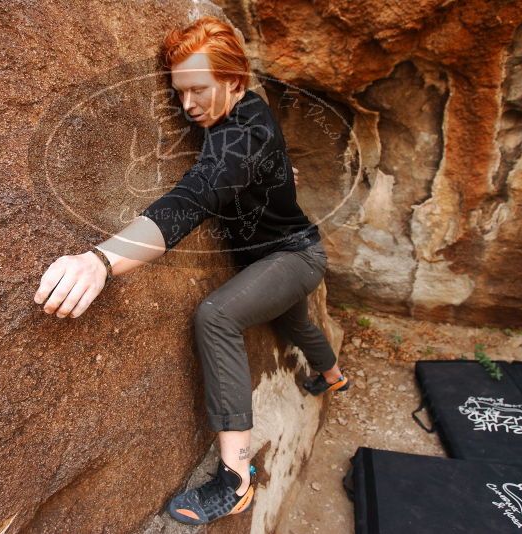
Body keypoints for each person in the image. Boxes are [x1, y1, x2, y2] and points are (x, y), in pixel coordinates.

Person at [32, 16, 349, 526]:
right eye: (180, 93)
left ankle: (236, 479)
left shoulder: (242, 136)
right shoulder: (245, 114)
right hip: (282, 253)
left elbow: (192, 198)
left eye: (198, 90)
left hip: (292, 257)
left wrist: (101, 260)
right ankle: (333, 378)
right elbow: (250, 156)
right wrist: (277, 169)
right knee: (294, 324)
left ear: (235, 82)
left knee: (217, 316)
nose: (188, 106)